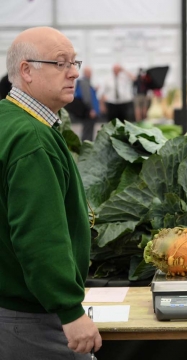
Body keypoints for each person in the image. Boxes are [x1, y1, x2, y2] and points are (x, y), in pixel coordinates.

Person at [0, 27, 101, 359]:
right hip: (34, 317)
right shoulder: (31, 138)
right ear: (27, 70)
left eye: (74, 62)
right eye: (61, 63)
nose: (73, 72)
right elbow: (39, 235)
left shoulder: (8, 119)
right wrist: (69, 310)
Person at [74, 66, 100, 141]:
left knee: (88, 129)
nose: (91, 74)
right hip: (88, 111)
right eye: (89, 73)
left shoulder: (85, 82)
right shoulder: (84, 83)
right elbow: (87, 97)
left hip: (87, 111)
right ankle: (86, 147)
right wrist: (91, 110)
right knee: (88, 130)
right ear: (86, 73)